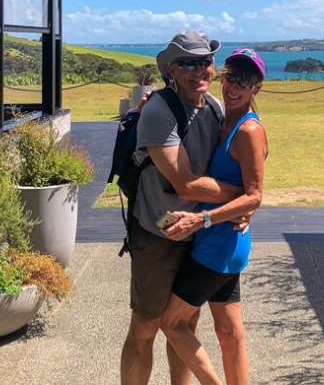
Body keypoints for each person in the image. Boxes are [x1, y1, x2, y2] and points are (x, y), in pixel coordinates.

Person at [120, 31, 246, 385]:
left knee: (184, 324)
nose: (199, 69)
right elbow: (186, 183)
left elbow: (237, 156)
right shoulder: (159, 111)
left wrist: (243, 203)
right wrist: (247, 197)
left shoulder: (216, 108)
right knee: (145, 326)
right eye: (187, 63)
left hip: (201, 231)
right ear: (171, 70)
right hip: (159, 234)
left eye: (204, 61)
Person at [160, 48, 268, 385]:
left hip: (217, 246)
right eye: (231, 77)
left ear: (256, 88)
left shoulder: (248, 130)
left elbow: (255, 195)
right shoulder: (224, 118)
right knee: (229, 331)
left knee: (172, 322)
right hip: (225, 242)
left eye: (245, 82)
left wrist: (202, 220)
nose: (235, 87)